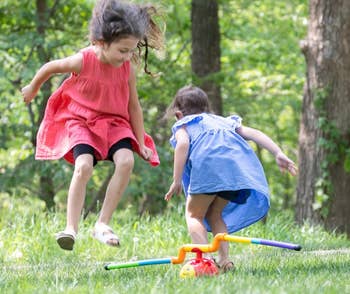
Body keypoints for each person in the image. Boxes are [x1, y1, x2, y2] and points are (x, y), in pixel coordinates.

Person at [21, 0, 165, 251]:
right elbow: (50, 68)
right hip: (82, 121)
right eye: (122, 50)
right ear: (100, 42)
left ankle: (102, 224)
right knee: (84, 166)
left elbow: (134, 107)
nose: (128, 56)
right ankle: (70, 228)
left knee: (126, 161)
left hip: (115, 122)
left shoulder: (127, 69)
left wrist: (141, 142)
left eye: (131, 50)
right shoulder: (83, 60)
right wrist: (32, 88)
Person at [164, 85, 297, 272]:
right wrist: (278, 152)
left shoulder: (184, 124)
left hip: (208, 171)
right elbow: (255, 134)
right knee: (215, 214)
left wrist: (176, 180)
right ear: (206, 107)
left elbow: (183, 144)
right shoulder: (224, 122)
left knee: (194, 214)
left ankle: (205, 260)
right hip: (234, 174)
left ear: (178, 114)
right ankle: (225, 261)